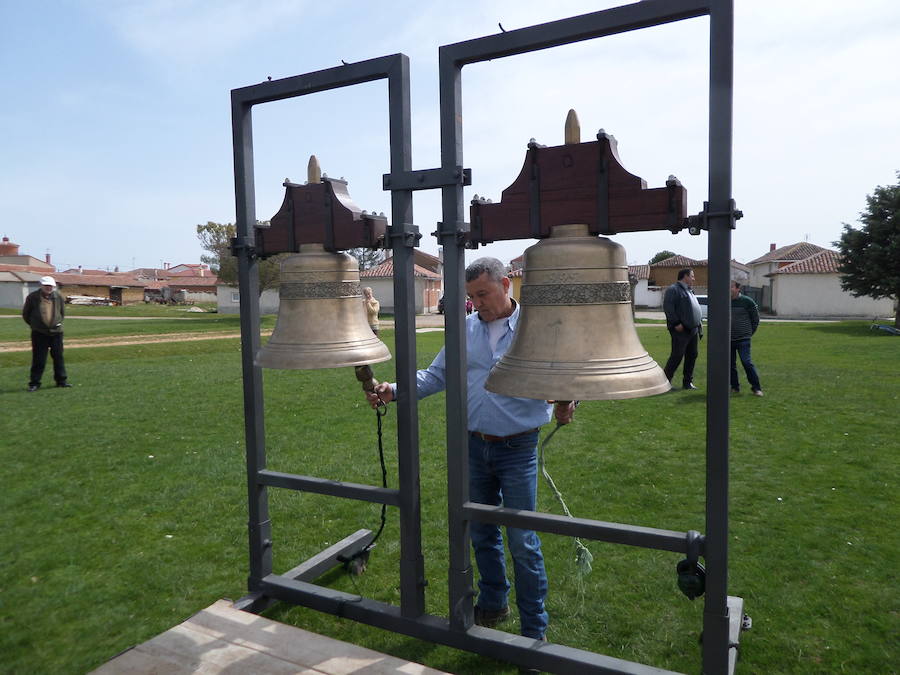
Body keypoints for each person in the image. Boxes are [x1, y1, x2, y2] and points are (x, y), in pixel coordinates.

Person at [366, 257, 575, 641]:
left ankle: (534, 633)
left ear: (506, 285)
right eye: (471, 296)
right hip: (472, 447)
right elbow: (436, 376)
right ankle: (494, 603)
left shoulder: (537, 329)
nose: (477, 302)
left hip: (518, 449)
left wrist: (568, 401)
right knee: (480, 532)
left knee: (522, 540)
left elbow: (564, 377)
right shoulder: (463, 330)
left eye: (484, 293)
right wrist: (393, 390)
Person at [22, 276, 71, 391]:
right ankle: (34, 383)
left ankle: (61, 381)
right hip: (39, 333)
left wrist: (56, 323)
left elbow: (62, 313)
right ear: (41, 286)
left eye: (50, 286)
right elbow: (26, 314)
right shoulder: (32, 297)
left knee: (58, 357)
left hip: (56, 333)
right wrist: (35, 325)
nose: (48, 288)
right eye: (46, 285)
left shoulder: (58, 297)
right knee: (39, 359)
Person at [662, 268, 703, 390]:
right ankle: (665, 382)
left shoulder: (690, 290)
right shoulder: (673, 290)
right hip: (680, 329)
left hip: (692, 329)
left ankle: (687, 382)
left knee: (692, 355)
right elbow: (668, 308)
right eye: (692, 276)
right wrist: (676, 323)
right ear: (685, 276)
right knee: (677, 355)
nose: (694, 279)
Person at [730, 280, 763, 396]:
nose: (729, 289)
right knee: (730, 364)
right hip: (728, 340)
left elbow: (755, 319)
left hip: (743, 339)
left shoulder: (747, 301)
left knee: (746, 362)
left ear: (738, 289)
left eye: (732, 287)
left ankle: (756, 388)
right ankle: (734, 387)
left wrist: (749, 333)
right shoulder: (725, 301)